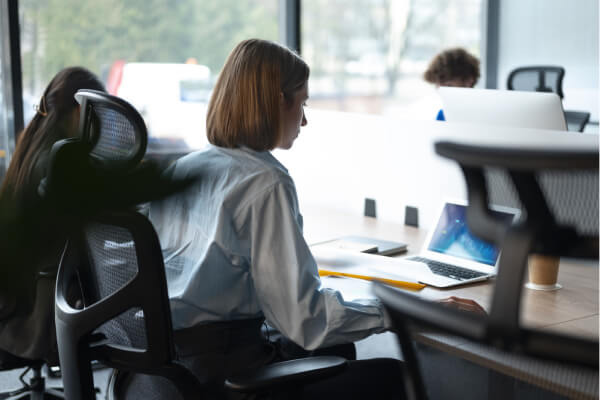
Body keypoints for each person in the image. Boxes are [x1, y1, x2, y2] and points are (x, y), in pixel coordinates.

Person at [145, 39, 483, 399]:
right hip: (222, 376)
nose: (304, 120)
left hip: (165, 374)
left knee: (334, 350)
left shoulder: (184, 168)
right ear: (278, 101)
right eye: (302, 103)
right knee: (392, 375)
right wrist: (410, 311)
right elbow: (306, 321)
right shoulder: (264, 182)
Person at [0, 67, 105, 362]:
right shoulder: (55, 163)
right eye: (95, 116)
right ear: (78, 112)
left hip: (18, 304)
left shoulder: (32, 148)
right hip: (36, 318)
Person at [423, 47, 480, 121]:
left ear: (468, 81)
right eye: (438, 87)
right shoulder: (443, 116)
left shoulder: (484, 114)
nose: (442, 92)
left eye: (448, 85)